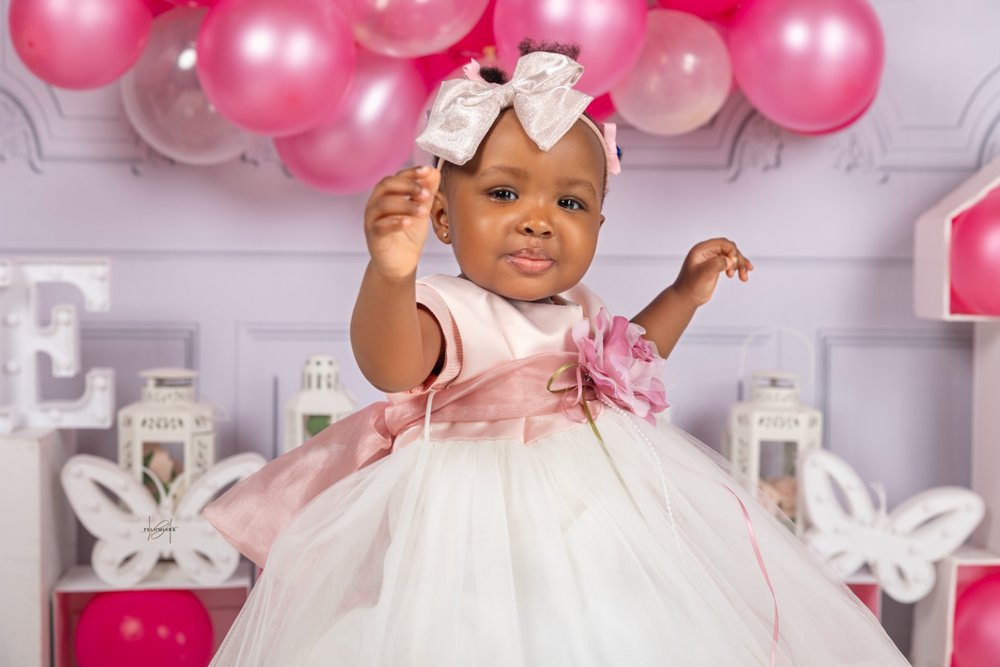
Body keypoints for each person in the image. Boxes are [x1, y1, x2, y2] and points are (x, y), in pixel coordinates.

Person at [202, 44, 911, 666]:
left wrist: (682, 294)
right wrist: (390, 275)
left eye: (570, 205)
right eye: (504, 192)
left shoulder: (581, 307)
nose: (539, 220)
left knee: (603, 624)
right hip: (470, 516)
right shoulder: (449, 305)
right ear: (443, 217)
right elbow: (392, 366)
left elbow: (629, 359)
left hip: (588, 514)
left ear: (600, 221)